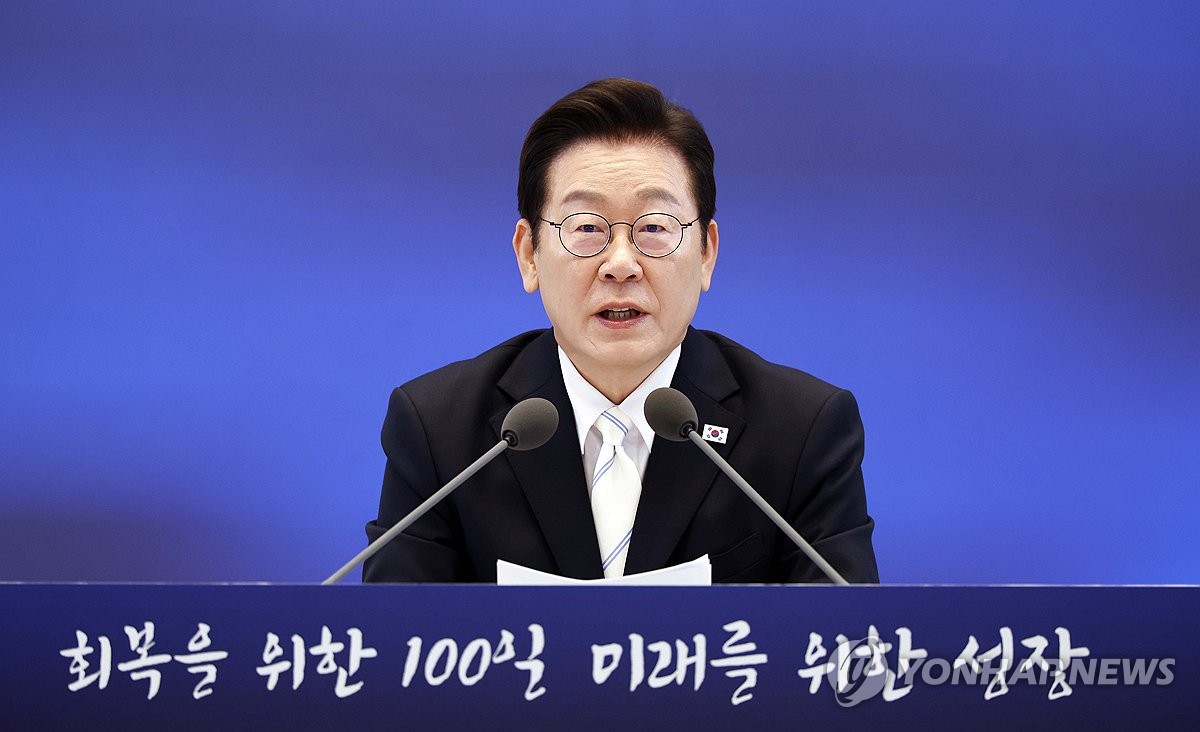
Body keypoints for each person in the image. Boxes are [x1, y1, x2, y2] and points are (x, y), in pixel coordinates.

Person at [363, 78, 878, 583]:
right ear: (528, 255)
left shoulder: (801, 431)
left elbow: (845, 653)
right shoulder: (441, 431)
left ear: (706, 254)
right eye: (586, 227)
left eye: (655, 227)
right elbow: (392, 648)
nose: (621, 264)